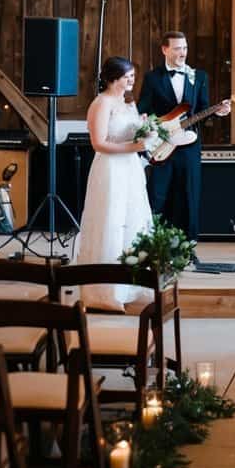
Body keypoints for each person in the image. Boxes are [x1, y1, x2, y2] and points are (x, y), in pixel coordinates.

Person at [138, 31, 230, 244]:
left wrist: (218, 112)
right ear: (165, 49)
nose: (183, 53)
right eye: (178, 48)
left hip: (189, 144)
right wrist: (153, 127)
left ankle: (188, 246)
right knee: (158, 194)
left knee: (189, 195)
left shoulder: (199, 76)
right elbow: (144, 109)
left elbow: (203, 109)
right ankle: (153, 244)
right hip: (162, 144)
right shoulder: (152, 78)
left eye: (185, 48)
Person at [77, 56, 152, 311]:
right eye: (126, 77)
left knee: (132, 221)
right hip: (110, 169)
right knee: (111, 221)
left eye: (132, 75)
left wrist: (144, 128)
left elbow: (129, 132)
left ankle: (130, 286)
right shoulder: (102, 103)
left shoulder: (127, 102)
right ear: (112, 79)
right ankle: (105, 292)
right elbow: (98, 143)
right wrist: (135, 145)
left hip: (130, 167)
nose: (132, 80)